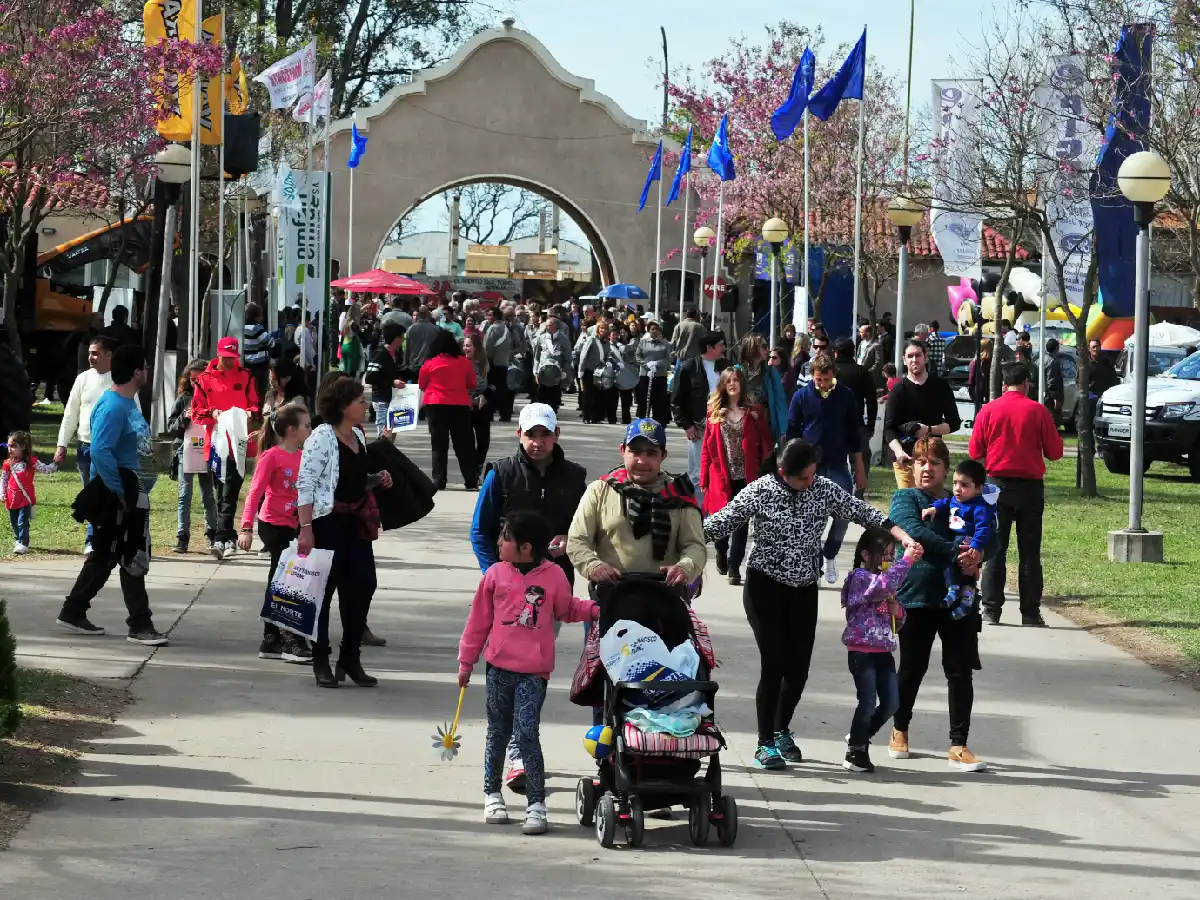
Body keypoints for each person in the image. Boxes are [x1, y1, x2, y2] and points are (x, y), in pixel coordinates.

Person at [703, 438, 917, 770]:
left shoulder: (823, 488)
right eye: (801, 479)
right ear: (781, 472)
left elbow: (861, 511)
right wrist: (681, 546)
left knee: (798, 668)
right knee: (774, 663)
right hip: (765, 588)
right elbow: (721, 522)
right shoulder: (760, 490)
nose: (808, 483)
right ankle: (765, 743)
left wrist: (900, 535)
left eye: (811, 475)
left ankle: (780, 728)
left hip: (804, 589)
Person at [458, 510, 599, 834]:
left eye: (504, 537)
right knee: (497, 733)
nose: (498, 542)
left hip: (534, 673)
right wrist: (467, 662)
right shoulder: (494, 575)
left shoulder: (553, 576)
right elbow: (478, 622)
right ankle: (492, 793)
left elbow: (566, 608)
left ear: (526, 547)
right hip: (498, 669)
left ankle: (537, 804)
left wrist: (594, 608)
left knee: (526, 734)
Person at [886, 436, 988, 772]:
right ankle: (899, 730)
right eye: (920, 462)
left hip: (960, 599)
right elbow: (915, 532)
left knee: (960, 672)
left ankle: (959, 745)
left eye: (934, 462)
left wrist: (980, 553)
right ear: (911, 467)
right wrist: (958, 552)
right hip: (917, 597)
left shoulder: (966, 498)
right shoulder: (905, 498)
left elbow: (991, 533)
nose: (927, 468)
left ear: (946, 468)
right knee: (912, 669)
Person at [56, 345, 168, 646]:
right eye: (144, 367)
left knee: (107, 554)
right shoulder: (114, 406)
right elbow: (101, 451)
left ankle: (73, 610)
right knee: (131, 554)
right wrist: (120, 492)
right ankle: (140, 624)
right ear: (135, 372)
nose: (147, 371)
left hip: (130, 487)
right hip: (118, 490)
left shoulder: (127, 403)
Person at [296, 377, 394, 688]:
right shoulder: (321, 438)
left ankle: (350, 657)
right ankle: (321, 659)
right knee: (322, 595)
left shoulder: (357, 436)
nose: (365, 406)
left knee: (364, 585)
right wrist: (306, 528)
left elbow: (350, 477)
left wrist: (375, 479)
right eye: (360, 401)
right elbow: (306, 485)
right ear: (342, 406)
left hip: (355, 523)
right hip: (327, 523)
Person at [970, 362, 1064, 627]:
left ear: (1003, 385)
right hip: (1030, 487)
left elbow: (975, 451)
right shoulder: (1038, 411)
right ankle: (1030, 613)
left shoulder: (988, 410)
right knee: (1030, 552)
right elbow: (1056, 452)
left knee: (995, 550)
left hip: (994, 485)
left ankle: (991, 610)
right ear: (1026, 384)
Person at [567, 418, 706, 592]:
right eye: (635, 452)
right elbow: (577, 540)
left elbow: (695, 546)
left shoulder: (678, 494)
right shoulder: (600, 490)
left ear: (663, 455)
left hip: (665, 594)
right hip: (612, 592)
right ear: (622, 451)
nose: (642, 461)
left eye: (651, 453)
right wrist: (593, 566)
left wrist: (685, 568)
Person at [840, 529, 921, 774]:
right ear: (866, 554)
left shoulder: (886, 583)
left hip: (883, 650)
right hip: (861, 651)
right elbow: (883, 586)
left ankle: (859, 734)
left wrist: (898, 612)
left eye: (892, 555)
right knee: (866, 701)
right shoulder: (860, 577)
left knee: (891, 703)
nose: (889, 560)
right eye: (885, 555)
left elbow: (899, 621)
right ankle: (856, 750)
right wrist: (907, 560)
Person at [238, 402, 313, 664]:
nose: (310, 429)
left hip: (296, 525)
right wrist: (246, 528)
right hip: (273, 526)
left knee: (287, 580)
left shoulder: (305, 456)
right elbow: (255, 493)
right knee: (287, 580)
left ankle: (272, 637)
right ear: (291, 430)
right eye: (306, 425)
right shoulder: (271, 456)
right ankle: (290, 639)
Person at [786, 354, 869, 583]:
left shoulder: (846, 396)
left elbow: (855, 433)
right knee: (811, 516)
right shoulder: (802, 396)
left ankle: (830, 553)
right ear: (812, 376)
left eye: (826, 379)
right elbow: (792, 430)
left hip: (838, 463)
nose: (822, 384)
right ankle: (815, 566)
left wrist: (859, 467)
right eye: (818, 379)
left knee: (844, 513)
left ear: (834, 375)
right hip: (809, 465)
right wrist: (791, 465)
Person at [699, 368, 773, 586]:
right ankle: (721, 550)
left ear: (742, 384)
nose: (732, 384)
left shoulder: (755, 411)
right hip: (721, 476)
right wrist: (703, 478)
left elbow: (766, 443)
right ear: (723, 385)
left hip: (747, 476)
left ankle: (734, 566)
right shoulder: (714, 411)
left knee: (741, 521)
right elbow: (706, 447)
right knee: (721, 520)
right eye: (728, 381)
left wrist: (765, 472)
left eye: (736, 380)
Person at [191, 336, 261, 559]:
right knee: (221, 493)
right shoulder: (204, 379)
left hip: (239, 443)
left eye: (233, 358)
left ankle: (220, 539)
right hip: (215, 444)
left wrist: (249, 412)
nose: (230, 362)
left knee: (230, 491)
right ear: (218, 354)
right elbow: (196, 411)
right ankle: (228, 537)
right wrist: (213, 413)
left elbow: (254, 404)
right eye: (226, 357)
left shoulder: (246, 376)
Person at [55, 335, 120, 552]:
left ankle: (98, 539)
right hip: (85, 446)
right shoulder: (82, 379)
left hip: (110, 449)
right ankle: (95, 540)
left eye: (95, 353)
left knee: (104, 492)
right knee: (90, 492)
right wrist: (61, 444)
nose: (90, 357)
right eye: (89, 353)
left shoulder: (120, 380)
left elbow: (133, 414)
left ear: (108, 355)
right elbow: (70, 413)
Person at [920, 458, 998, 618]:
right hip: (958, 539)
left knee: (957, 561)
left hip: (967, 539)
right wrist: (934, 509)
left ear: (978, 488)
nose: (957, 489)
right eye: (955, 483)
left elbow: (984, 528)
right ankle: (963, 595)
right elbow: (946, 502)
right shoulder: (956, 499)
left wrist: (976, 546)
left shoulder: (979, 507)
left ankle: (958, 591)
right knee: (959, 565)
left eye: (964, 485)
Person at [884, 340, 960, 488]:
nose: (914, 359)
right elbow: (889, 429)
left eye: (918, 355)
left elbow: (954, 423)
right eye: (910, 356)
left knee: (931, 505)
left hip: (933, 458)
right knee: (909, 505)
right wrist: (899, 452)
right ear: (904, 360)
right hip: (906, 458)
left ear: (925, 357)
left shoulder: (940, 386)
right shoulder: (898, 390)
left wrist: (929, 430)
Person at [167, 359, 218, 554]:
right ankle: (182, 537)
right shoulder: (183, 399)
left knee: (207, 495)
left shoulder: (213, 397)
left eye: (199, 379)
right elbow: (171, 427)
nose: (195, 383)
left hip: (206, 449)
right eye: (192, 379)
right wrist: (184, 418)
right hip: (185, 450)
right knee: (184, 494)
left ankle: (212, 534)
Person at [418, 329, 478, 491]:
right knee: (464, 445)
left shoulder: (430, 363)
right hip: (459, 406)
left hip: (435, 406)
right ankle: (470, 480)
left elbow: (422, 384)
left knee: (439, 445)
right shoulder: (463, 362)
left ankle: (439, 480)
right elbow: (472, 383)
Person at [671, 332, 727, 503]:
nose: (724, 348)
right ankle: (698, 511)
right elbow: (676, 400)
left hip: (723, 424)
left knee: (722, 469)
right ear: (709, 348)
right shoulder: (688, 368)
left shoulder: (726, 365)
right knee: (697, 473)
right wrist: (686, 425)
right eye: (720, 344)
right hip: (699, 426)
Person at [3, 430, 57, 554]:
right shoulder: (7, 463)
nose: (10, 449)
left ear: (23, 447)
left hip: (25, 498)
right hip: (11, 498)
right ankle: (18, 539)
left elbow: (45, 469)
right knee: (14, 522)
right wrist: (2, 493)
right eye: (8, 446)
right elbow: (4, 479)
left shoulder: (31, 461)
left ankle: (23, 543)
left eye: (13, 446)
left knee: (22, 521)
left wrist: (55, 464)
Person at [735, 332, 789, 439]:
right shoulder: (737, 371)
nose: (768, 350)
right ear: (752, 348)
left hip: (764, 426)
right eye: (764, 347)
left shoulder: (770, 371)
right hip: (741, 427)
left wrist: (783, 430)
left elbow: (780, 401)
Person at [834, 337, 879, 457]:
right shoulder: (862, 372)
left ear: (836, 352)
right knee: (861, 464)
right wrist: (870, 425)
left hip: (832, 423)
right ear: (853, 352)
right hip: (856, 423)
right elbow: (871, 401)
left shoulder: (829, 372)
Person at [364, 321, 406, 438]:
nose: (403, 339)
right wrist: (392, 382)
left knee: (391, 434)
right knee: (383, 436)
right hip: (382, 400)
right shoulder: (380, 354)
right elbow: (370, 377)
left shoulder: (396, 354)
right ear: (396, 338)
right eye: (402, 337)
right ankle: (380, 456)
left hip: (393, 399)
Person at [577, 318, 622, 425]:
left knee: (598, 395)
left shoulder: (606, 343)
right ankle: (586, 417)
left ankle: (596, 417)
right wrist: (581, 370)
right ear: (598, 329)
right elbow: (583, 355)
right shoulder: (591, 339)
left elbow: (606, 356)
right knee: (588, 395)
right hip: (589, 370)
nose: (603, 330)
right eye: (601, 328)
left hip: (601, 372)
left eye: (605, 329)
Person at [464, 333, 493, 481]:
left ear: (476, 348)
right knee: (467, 444)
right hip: (465, 408)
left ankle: (477, 467)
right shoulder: (460, 363)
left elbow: (495, 385)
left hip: (481, 407)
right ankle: (472, 474)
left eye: (468, 345)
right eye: (464, 345)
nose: (465, 348)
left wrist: (485, 395)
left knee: (483, 442)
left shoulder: (485, 364)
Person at [635, 318, 672, 422]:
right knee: (643, 400)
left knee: (659, 401)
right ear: (648, 330)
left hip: (660, 375)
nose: (654, 331)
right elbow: (638, 356)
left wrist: (657, 364)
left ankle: (659, 422)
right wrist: (647, 365)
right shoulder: (643, 342)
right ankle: (641, 421)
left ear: (660, 330)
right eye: (652, 329)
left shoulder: (665, 343)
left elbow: (667, 359)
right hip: (645, 374)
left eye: (656, 329)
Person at [532, 316, 572, 412]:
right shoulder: (541, 338)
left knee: (554, 394)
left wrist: (565, 371)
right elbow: (536, 356)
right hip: (543, 371)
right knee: (542, 394)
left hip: (556, 372)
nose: (547, 327)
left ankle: (552, 412)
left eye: (549, 325)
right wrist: (535, 370)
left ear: (556, 327)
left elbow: (568, 358)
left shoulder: (564, 339)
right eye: (546, 325)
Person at [483, 307, 515, 422]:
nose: (488, 318)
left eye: (490, 315)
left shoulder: (492, 328)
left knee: (491, 387)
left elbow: (487, 347)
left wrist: (485, 360)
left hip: (493, 363)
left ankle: (489, 413)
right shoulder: (506, 329)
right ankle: (505, 414)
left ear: (495, 316)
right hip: (504, 363)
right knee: (502, 389)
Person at [242, 303, 275, 402]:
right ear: (256, 316)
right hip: (259, 364)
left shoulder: (241, 327)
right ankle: (259, 411)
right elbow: (271, 342)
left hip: (246, 363)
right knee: (260, 389)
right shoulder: (256, 328)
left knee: (249, 388)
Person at [402, 306, 442, 379]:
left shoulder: (411, 329)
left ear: (419, 315)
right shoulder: (436, 329)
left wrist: (405, 363)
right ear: (428, 314)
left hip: (414, 364)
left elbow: (407, 348)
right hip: (431, 365)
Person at [613, 322, 640, 425]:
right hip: (619, 372)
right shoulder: (616, 342)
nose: (622, 334)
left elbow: (628, 349)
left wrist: (619, 345)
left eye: (624, 332)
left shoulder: (633, 341)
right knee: (618, 397)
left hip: (631, 372)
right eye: (621, 333)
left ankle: (626, 418)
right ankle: (615, 417)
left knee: (627, 397)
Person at [1042, 338, 1065, 428]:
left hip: (1043, 395)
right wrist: (1056, 398)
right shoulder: (1052, 362)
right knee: (1053, 421)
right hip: (1050, 398)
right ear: (1056, 348)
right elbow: (1052, 381)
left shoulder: (1041, 359)